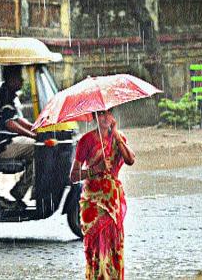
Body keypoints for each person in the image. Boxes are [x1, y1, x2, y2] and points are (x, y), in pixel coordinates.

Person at [70, 109, 135, 280]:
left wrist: (116, 136)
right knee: (97, 250)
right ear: (94, 118)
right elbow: (74, 175)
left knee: (114, 246)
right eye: (100, 114)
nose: (105, 118)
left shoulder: (118, 138)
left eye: (108, 113)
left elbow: (130, 160)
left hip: (112, 201)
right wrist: (94, 170)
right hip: (93, 202)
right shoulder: (86, 141)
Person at [0, 65, 37, 203]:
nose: (22, 81)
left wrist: (35, 127)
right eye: (19, 78)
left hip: (7, 144)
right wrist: (32, 135)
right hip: (3, 147)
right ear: (11, 79)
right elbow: (9, 123)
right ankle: (19, 191)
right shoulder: (4, 95)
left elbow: (17, 119)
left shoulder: (7, 94)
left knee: (38, 148)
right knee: (40, 149)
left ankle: (21, 190)